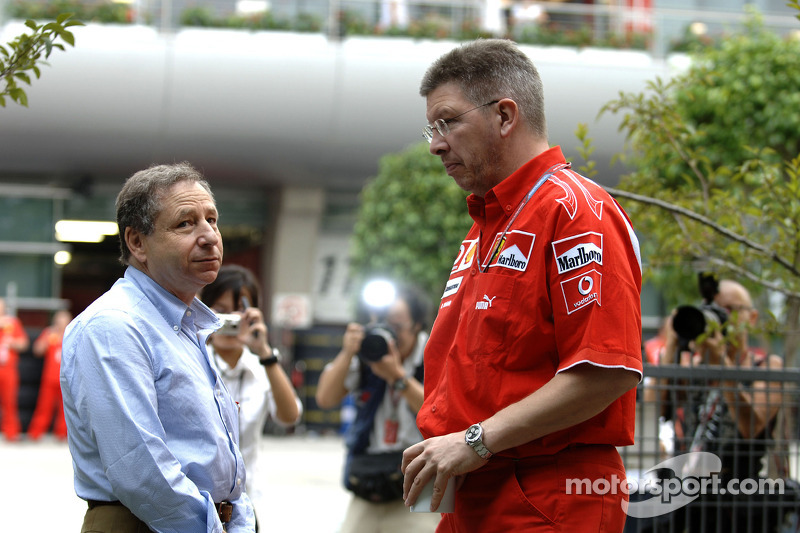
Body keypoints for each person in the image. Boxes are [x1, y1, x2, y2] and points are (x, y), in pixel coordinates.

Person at [401, 39, 643, 532]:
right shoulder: (488, 224)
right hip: (476, 492)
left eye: (448, 122)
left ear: (505, 116)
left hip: (549, 498)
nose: (435, 144)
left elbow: (607, 370)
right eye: (432, 127)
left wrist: (473, 441)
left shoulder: (574, 211)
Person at [60, 162, 255, 533]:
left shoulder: (186, 326)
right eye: (185, 223)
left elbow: (222, 460)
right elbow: (143, 472)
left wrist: (238, 521)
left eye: (212, 220)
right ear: (137, 242)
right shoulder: (115, 325)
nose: (209, 236)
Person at [660, 278, 786, 532]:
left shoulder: (766, 367)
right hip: (690, 496)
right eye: (714, 309)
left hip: (740, 497)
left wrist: (721, 362)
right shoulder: (697, 368)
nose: (721, 317)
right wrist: (674, 338)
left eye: (729, 309)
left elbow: (752, 427)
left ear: (751, 318)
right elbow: (663, 407)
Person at [316, 285, 441, 533]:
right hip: (369, 484)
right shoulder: (367, 354)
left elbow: (440, 414)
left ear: (417, 325)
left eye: (396, 326)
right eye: (381, 323)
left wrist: (397, 377)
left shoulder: (435, 354)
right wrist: (347, 352)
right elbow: (325, 398)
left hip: (420, 487)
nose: (388, 334)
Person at [199, 264, 303, 528]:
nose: (230, 321)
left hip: (243, 508)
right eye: (221, 311)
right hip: (195, 505)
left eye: (239, 313)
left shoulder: (261, 369)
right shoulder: (193, 362)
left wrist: (265, 352)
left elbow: (289, 416)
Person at [27, 308, 72, 441]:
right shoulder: (49, 333)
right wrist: (47, 339)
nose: (61, 323)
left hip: (66, 378)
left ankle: (62, 435)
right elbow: (37, 350)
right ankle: (35, 433)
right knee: (44, 407)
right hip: (50, 378)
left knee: (65, 409)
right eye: (59, 320)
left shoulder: (71, 333)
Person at [0, 297, 29, 442]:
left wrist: (12, 342)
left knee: (10, 402)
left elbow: (24, 344)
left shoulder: (12, 323)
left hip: (8, 368)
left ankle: (11, 433)